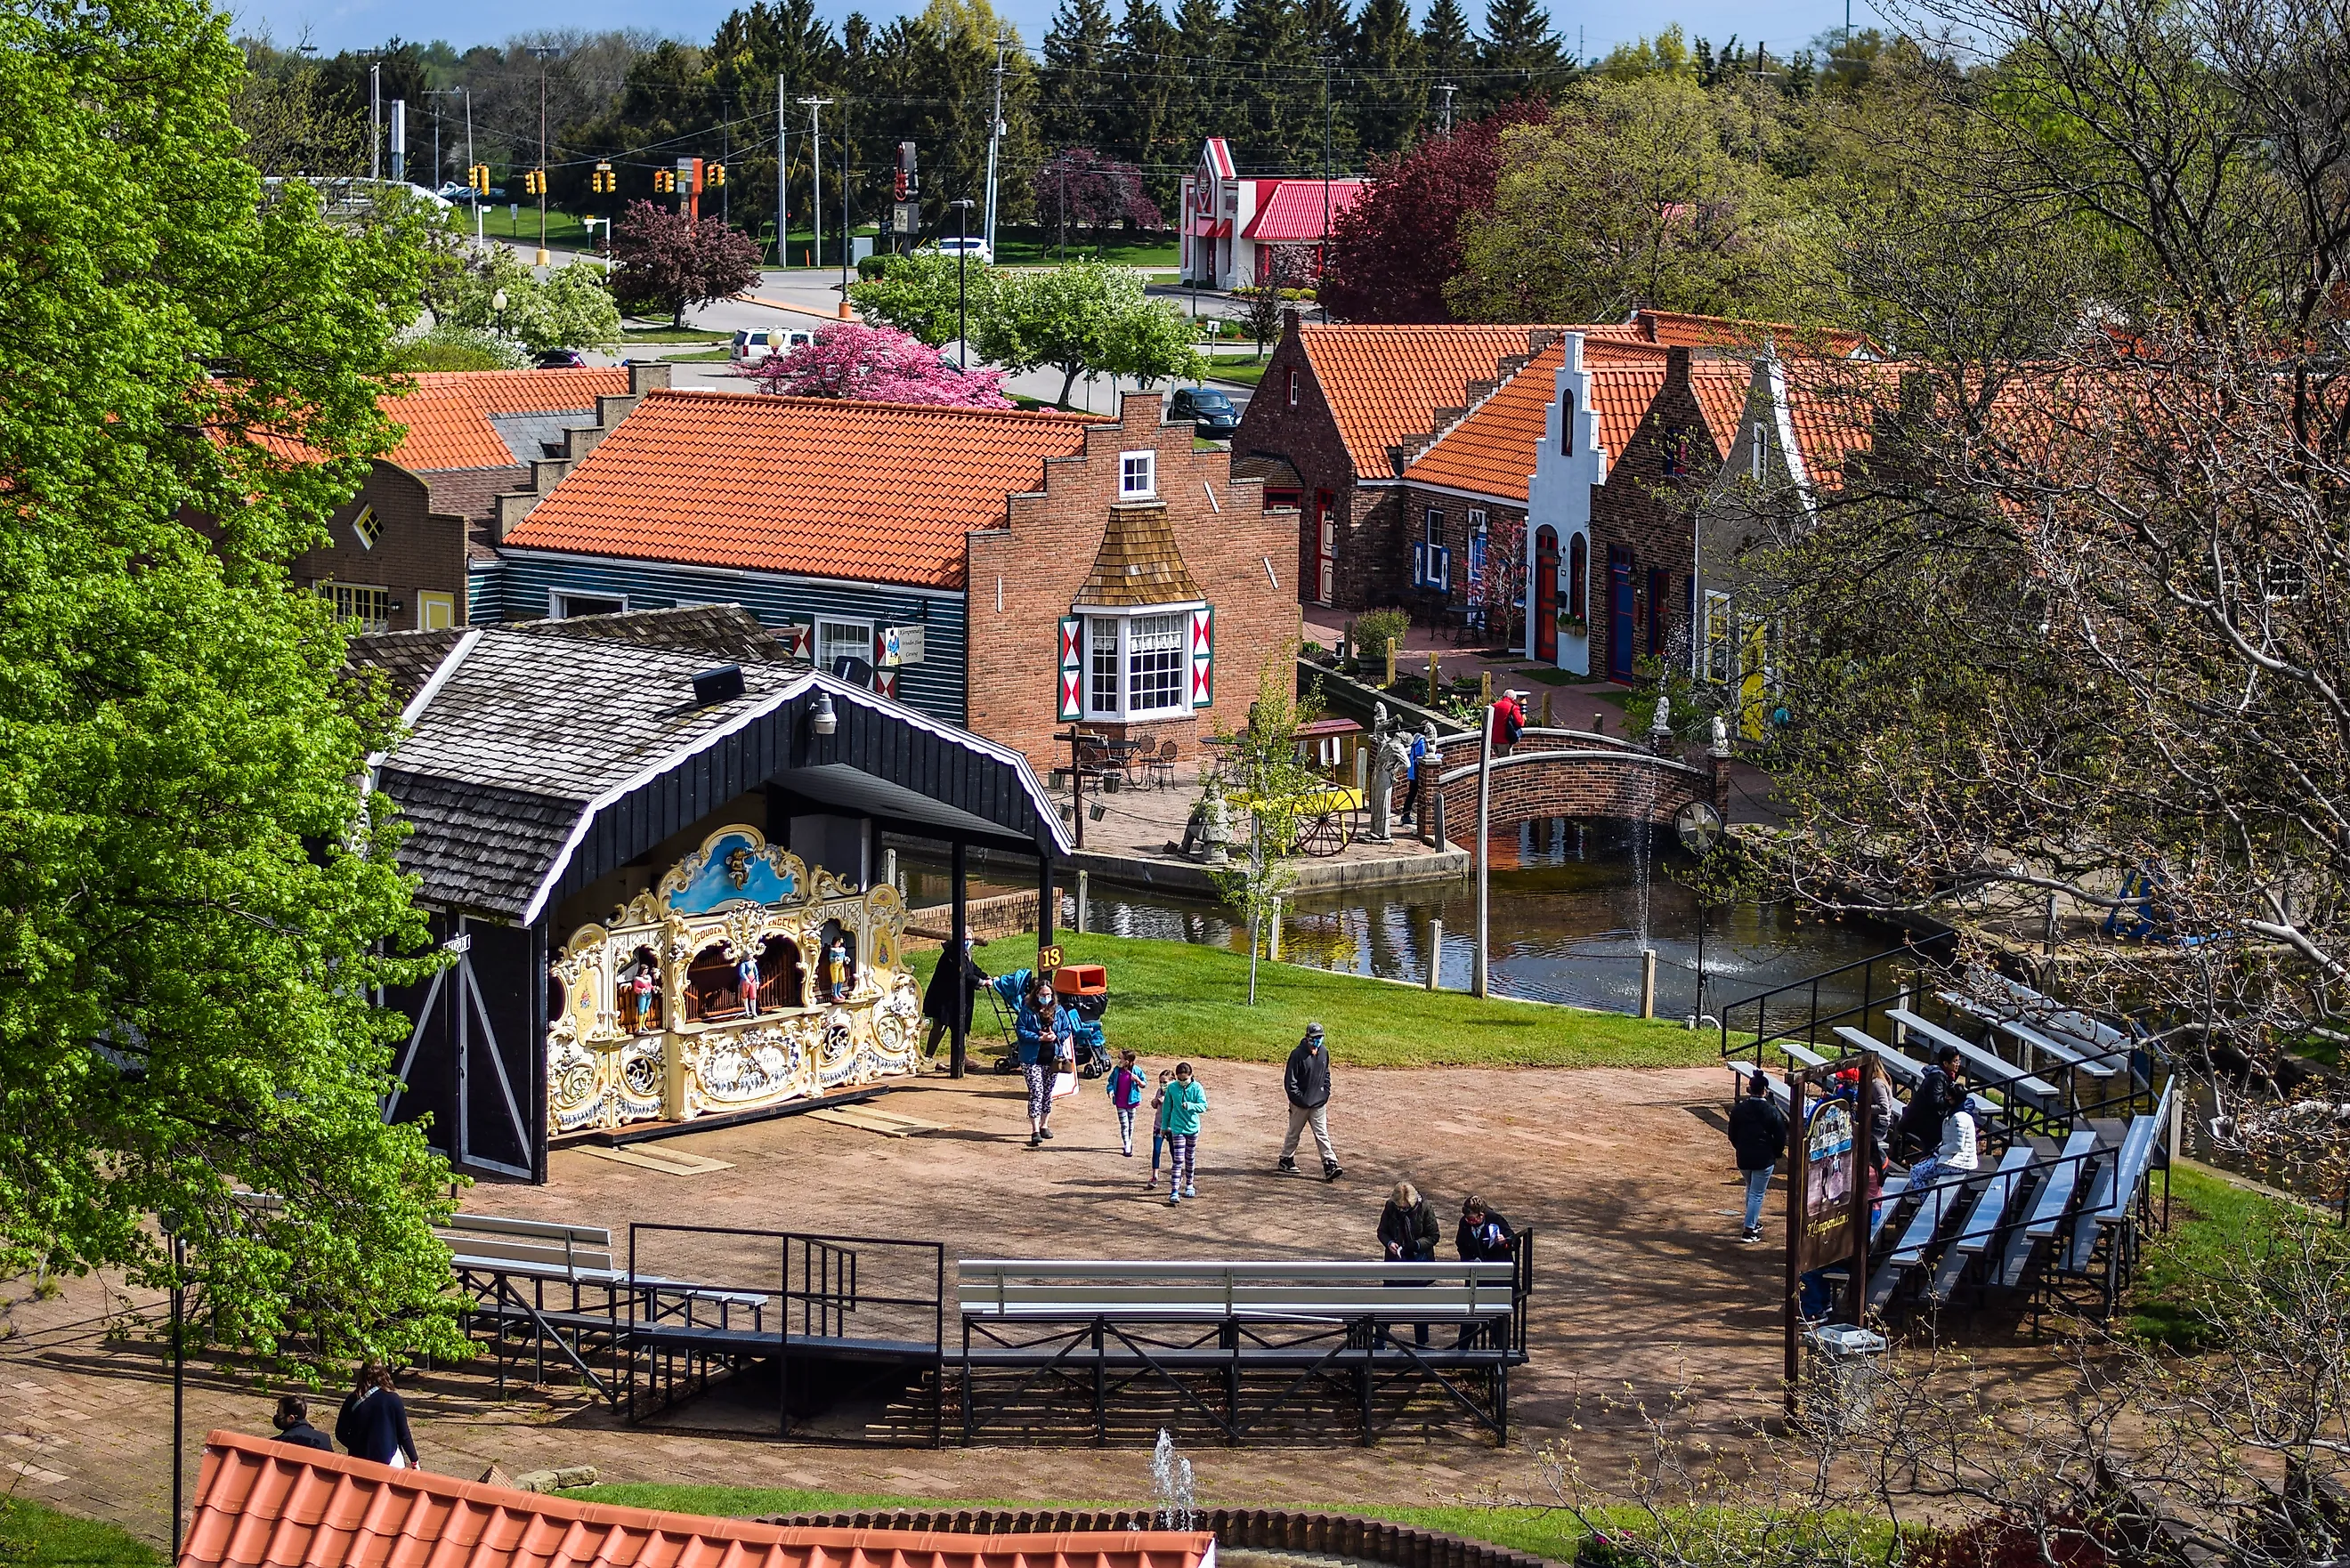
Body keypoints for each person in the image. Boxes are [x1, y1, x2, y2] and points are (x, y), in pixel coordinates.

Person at [1013, 971, 1075, 1148]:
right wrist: (1038, 1038)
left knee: (1048, 1093)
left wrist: (1056, 1036)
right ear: (1036, 995)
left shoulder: (1059, 1011)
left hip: (1052, 1058)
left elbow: (1067, 1029)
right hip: (1031, 1059)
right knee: (1037, 1092)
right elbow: (1021, 1030)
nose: (1045, 998)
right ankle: (1034, 1130)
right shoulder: (1027, 1011)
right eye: (1042, 995)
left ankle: (1045, 1124)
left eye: (1048, 995)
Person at [1377, 1180, 1441, 1346]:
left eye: (1405, 1207)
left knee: (1419, 1307)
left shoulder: (1425, 1207)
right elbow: (1382, 1231)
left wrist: (1416, 1245)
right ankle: (1380, 1340)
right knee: (1387, 1304)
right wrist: (1390, 1243)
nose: (1402, 1209)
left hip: (1418, 1263)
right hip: (1395, 1263)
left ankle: (1421, 1343)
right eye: (1399, 1207)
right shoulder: (1390, 1207)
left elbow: (1433, 1236)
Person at [1277, 1022, 1343, 1181]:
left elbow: (1326, 1074)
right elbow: (1290, 1083)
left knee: (1322, 1134)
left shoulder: (1324, 1052)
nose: (1317, 1041)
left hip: (1318, 1103)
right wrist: (1298, 1098)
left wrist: (1325, 1092)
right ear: (1307, 1038)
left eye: (1320, 1038)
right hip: (1300, 1104)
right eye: (1314, 1038)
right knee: (1294, 1133)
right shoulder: (1297, 1055)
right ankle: (1286, 1159)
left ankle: (1330, 1164)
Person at [1727, 1070, 1787, 1243]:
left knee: (1750, 1188)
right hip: (1764, 1158)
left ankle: (1752, 1221)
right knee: (1756, 1193)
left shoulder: (1739, 1109)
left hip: (1744, 1157)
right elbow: (1781, 1136)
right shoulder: (1771, 1111)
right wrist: (1776, 1154)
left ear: (1749, 1089)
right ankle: (1749, 1230)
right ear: (1765, 1091)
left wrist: (1739, 1147)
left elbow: (1732, 1134)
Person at [1452, 1195, 1516, 1346]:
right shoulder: (1464, 1224)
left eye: (1473, 1219)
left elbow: (1513, 1238)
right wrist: (1468, 1260)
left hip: (1496, 1278)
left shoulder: (1495, 1219)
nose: (1470, 1222)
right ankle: (1463, 1349)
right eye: (1468, 1219)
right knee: (1470, 1316)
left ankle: (1501, 1350)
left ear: (1482, 1215)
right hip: (1475, 1275)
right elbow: (1460, 1244)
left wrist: (1504, 1242)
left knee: (1497, 1317)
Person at [334, 1362, 417, 1468]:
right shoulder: (393, 1399)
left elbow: (340, 1433)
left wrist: (356, 1446)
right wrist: (414, 1460)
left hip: (359, 1461)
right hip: (389, 1460)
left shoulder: (352, 1399)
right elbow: (404, 1435)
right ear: (384, 1374)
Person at [1896, 1047, 1966, 1164]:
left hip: (1927, 1117)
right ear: (1945, 1063)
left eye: (1958, 1061)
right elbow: (1936, 1103)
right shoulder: (1937, 1078)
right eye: (1955, 1061)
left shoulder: (1945, 1076)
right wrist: (1952, 1100)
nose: (1958, 1064)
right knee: (1942, 1136)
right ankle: (1928, 1164)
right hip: (1920, 1120)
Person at [921, 938, 987, 1061]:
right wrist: (982, 982)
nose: (968, 941)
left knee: (957, 1026)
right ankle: (929, 1057)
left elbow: (973, 968)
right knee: (941, 1026)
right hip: (943, 997)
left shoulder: (965, 952)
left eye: (970, 938)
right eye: (966, 938)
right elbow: (965, 974)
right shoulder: (953, 954)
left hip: (953, 997)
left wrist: (986, 977)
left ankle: (959, 1057)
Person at [1160, 1061, 1207, 1204]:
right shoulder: (1172, 1088)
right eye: (1179, 1079)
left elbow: (1203, 1106)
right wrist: (1164, 1126)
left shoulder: (1197, 1087)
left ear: (1191, 1076)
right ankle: (1174, 1189)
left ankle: (1190, 1184)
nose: (1182, 1082)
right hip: (1177, 1127)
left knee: (1189, 1157)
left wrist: (1191, 1106)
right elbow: (1167, 1108)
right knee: (1178, 1159)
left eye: (1184, 1079)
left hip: (1192, 1128)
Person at [1106, 1050, 1147, 1156]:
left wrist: (1138, 1080)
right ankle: (1127, 1145)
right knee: (1124, 1124)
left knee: (1131, 1123)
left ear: (1128, 1061)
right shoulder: (1117, 1070)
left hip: (1132, 1102)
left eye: (1121, 1059)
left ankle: (1129, 1140)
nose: (1119, 1061)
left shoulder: (1136, 1070)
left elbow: (1144, 1084)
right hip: (1120, 1102)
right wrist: (1110, 1090)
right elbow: (1110, 1082)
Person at [1143, 1068, 1176, 1189]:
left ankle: (1176, 1172)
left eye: (1165, 1082)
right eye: (1160, 1082)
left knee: (1174, 1151)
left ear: (1172, 1081)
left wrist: (1167, 1101)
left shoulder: (1175, 1092)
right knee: (1156, 1150)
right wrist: (1155, 1101)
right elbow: (1154, 1105)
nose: (1162, 1085)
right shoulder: (1159, 1091)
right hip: (1158, 1125)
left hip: (1171, 1127)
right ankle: (1154, 1176)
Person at [269, 1394, 333, 1452]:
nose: (276, 1416)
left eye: (279, 1414)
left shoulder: (277, 1443)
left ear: (291, 1418)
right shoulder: (324, 1439)